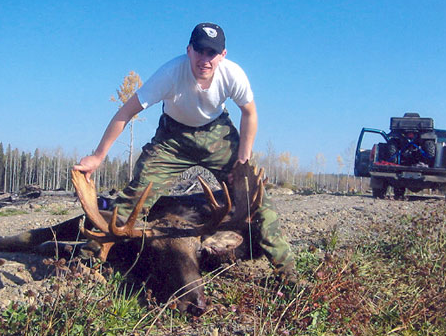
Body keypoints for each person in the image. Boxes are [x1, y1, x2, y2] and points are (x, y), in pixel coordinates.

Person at [74, 22, 297, 283]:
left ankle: (287, 274)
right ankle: (85, 265)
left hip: (217, 134)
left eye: (212, 53)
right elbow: (126, 112)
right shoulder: (169, 73)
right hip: (173, 139)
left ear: (222, 55)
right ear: (189, 50)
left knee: (255, 196)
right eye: (199, 51)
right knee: (136, 196)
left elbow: (250, 113)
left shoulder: (233, 75)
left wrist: (242, 160)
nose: (205, 60)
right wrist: (98, 155)